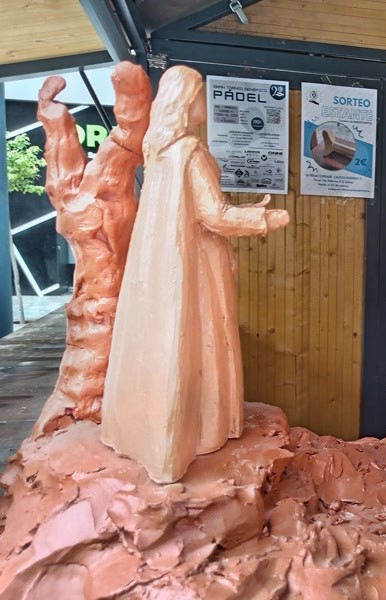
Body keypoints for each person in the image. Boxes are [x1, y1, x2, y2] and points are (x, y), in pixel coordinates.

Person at [101, 65, 290, 483]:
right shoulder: (191, 153)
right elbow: (214, 216)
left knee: (168, 341)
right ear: (186, 102)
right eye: (200, 94)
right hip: (198, 265)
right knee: (203, 337)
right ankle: (204, 429)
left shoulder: (159, 153)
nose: (205, 102)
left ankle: (146, 433)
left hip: (164, 265)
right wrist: (266, 219)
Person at [32, 62, 151, 435]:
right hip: (97, 242)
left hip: (88, 228)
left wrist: (52, 117)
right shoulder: (101, 193)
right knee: (106, 158)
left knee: (74, 166)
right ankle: (61, 110)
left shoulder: (82, 194)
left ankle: (57, 112)